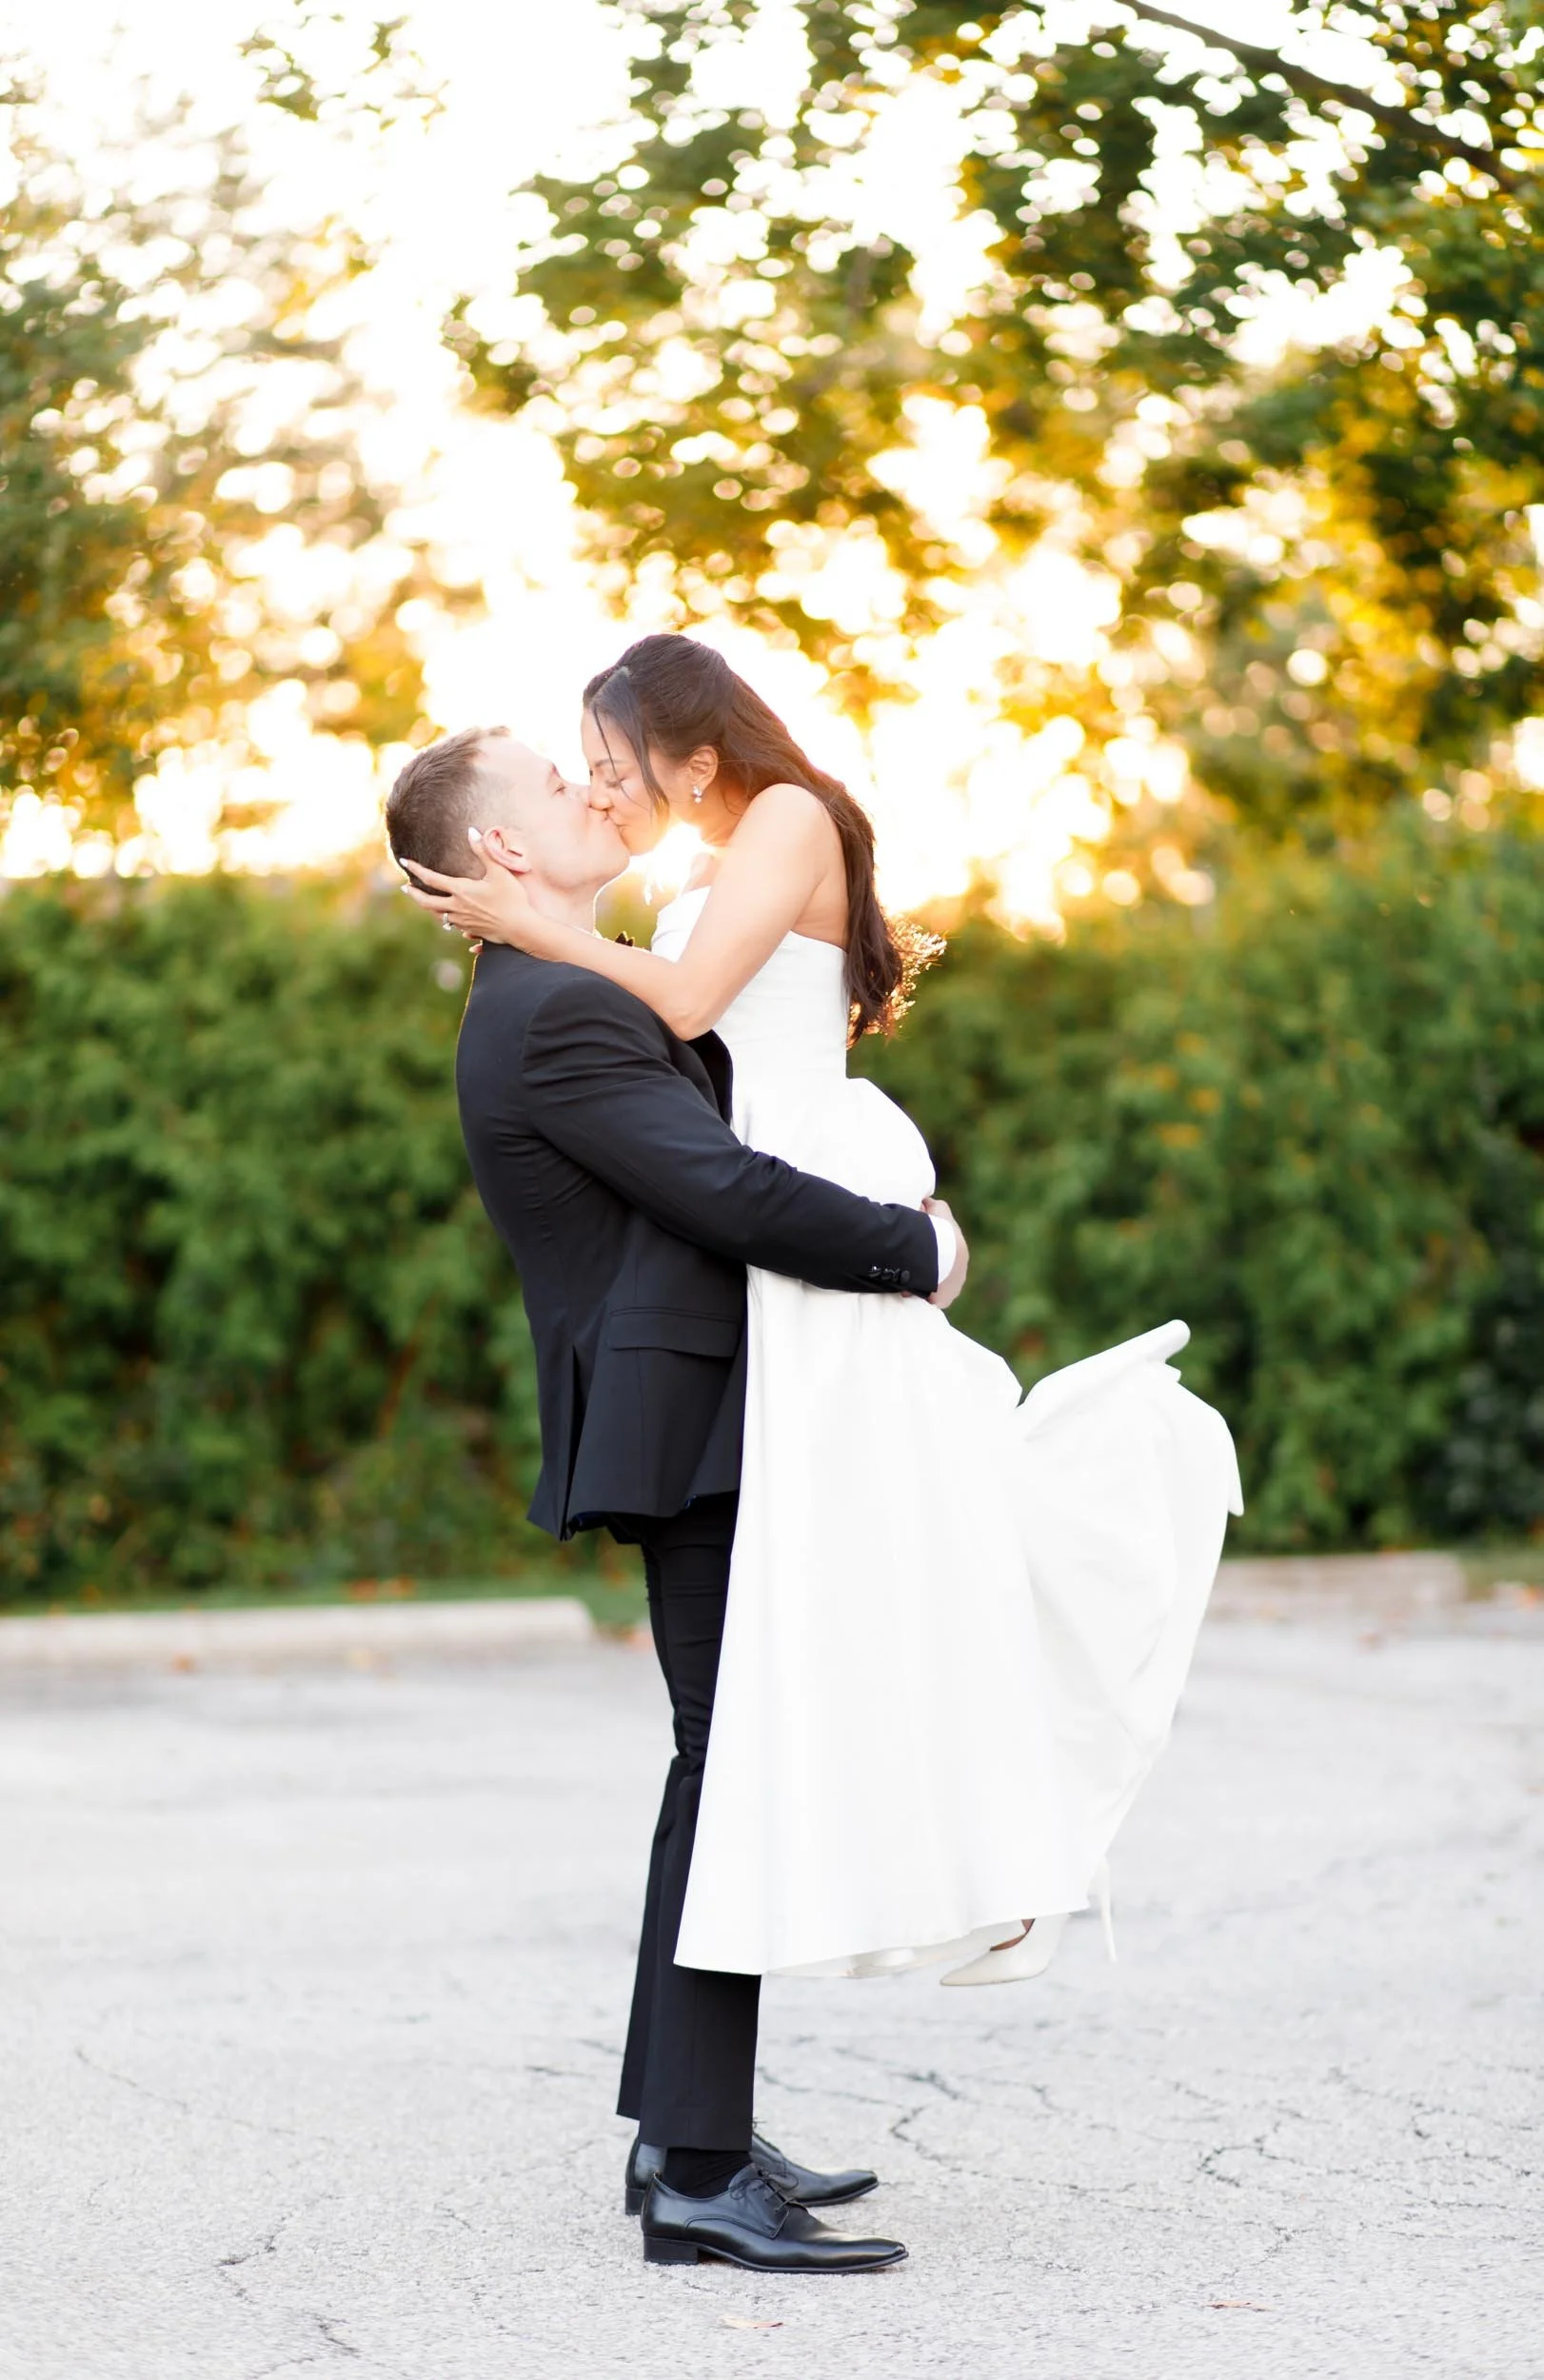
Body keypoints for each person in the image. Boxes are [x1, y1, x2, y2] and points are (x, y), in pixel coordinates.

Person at [402, 635, 1242, 2000]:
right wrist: (552, 937)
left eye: (613, 770)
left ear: (697, 757)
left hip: (803, 1198)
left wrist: (542, 930)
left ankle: (972, 1882)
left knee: (903, 1575)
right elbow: (668, 1052)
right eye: (581, 779)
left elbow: (681, 1008)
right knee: (841, 1627)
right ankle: (708, 2130)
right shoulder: (678, 887)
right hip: (765, 1237)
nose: (605, 795)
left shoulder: (786, 817)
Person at [385, 726, 968, 2273]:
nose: (594, 790)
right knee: (735, 1771)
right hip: (692, 1418)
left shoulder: (565, 983)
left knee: (721, 1763)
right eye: (557, 784)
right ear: (504, 856)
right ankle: (699, 2171)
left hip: (701, 1409)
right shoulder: (558, 1013)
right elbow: (720, 1190)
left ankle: (680, 2131)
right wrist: (917, 1249)